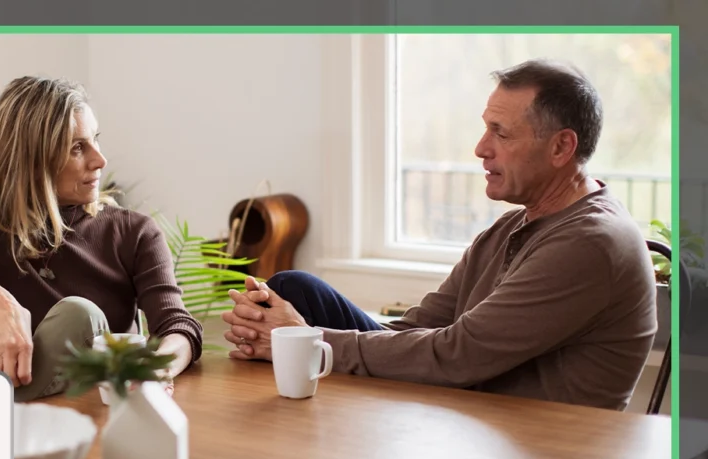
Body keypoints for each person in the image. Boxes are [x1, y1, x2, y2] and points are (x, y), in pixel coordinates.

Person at [222, 59, 657, 411]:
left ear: (562, 147)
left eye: (500, 133)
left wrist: (310, 344)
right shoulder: (513, 225)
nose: (480, 148)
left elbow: (458, 354)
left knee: (298, 335)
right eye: (486, 127)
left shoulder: (591, 242)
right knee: (293, 290)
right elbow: (422, 326)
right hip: (461, 416)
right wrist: (285, 332)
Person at [0, 76, 202, 402]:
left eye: (95, 140)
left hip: (80, 416)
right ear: (29, 160)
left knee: (80, 314)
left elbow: (177, 326)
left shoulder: (133, 232)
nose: (99, 160)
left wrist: (157, 366)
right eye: (77, 147)